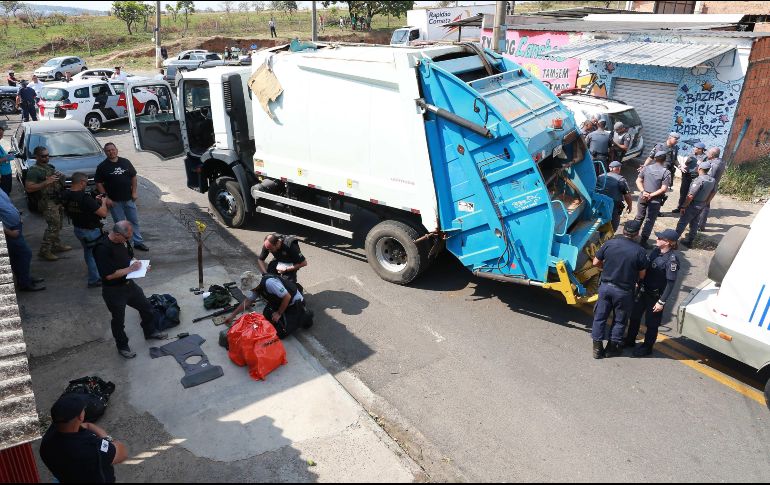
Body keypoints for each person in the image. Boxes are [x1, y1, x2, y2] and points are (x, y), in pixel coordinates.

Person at [93, 221, 166, 358]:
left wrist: (139, 264)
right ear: (117, 234)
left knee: (147, 307)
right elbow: (108, 275)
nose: (128, 240)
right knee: (119, 321)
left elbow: (130, 256)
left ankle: (150, 331)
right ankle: (122, 346)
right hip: (113, 291)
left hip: (128, 285)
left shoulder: (123, 242)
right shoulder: (102, 248)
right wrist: (130, 269)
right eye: (127, 238)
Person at [590, 219, 648, 359]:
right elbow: (642, 275)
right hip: (624, 291)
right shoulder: (639, 251)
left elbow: (595, 262)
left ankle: (597, 349)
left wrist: (606, 269)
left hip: (605, 287)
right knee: (619, 320)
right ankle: (611, 348)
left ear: (623, 231)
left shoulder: (609, 244)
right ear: (637, 234)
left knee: (600, 317)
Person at [39, 394, 128, 483]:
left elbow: (85, 425)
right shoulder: (91, 447)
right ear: (80, 417)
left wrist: (88, 426)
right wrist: (106, 439)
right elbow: (122, 453)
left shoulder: (47, 442)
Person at [624, 229, 680, 357]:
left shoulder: (672, 260)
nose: (657, 239)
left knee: (652, 323)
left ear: (668, 242)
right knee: (634, 316)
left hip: (655, 297)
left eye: (660, 238)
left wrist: (662, 302)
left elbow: (671, 284)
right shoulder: (655, 251)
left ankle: (647, 347)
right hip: (643, 291)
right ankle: (629, 340)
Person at [95, 143, 149, 251]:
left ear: (117, 150)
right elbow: (98, 183)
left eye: (112, 149)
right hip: (114, 202)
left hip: (129, 199)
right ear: (105, 152)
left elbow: (133, 177)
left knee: (133, 221)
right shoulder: (102, 166)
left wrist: (134, 192)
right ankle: (124, 245)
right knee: (120, 225)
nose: (111, 152)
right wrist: (106, 198)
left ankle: (138, 242)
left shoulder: (125, 162)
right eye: (108, 151)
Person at [223, 270, 314, 334]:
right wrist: (232, 315)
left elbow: (287, 297)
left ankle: (305, 315)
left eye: (251, 287)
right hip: (279, 301)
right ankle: (286, 316)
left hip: (293, 303)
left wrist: (278, 313)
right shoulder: (256, 288)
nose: (250, 289)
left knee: (280, 332)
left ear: (255, 283)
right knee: (266, 314)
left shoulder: (269, 283)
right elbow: (247, 301)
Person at [61, 172, 109, 288]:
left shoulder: (66, 194)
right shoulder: (84, 198)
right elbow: (103, 213)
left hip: (78, 228)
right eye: (86, 182)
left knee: (88, 253)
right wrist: (103, 203)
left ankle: (94, 275)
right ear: (82, 182)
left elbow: (81, 207)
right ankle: (94, 279)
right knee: (94, 254)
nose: (86, 185)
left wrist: (94, 201)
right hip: (90, 230)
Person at [25, 146, 71, 261]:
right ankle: (44, 251)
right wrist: (46, 182)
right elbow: (29, 188)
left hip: (56, 200)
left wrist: (60, 177)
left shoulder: (49, 167)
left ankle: (56, 245)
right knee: (53, 226)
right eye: (43, 156)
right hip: (47, 202)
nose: (46, 158)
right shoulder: (34, 170)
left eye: (47, 155)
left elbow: (57, 182)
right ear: (36, 157)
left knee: (58, 225)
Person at [0, 188, 45, 291]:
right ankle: (25, 283)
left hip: (15, 226)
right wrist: (9, 232)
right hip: (10, 231)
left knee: (16, 256)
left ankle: (24, 279)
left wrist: (17, 215)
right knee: (25, 254)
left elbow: (8, 203)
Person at [635, 150, 671, 248]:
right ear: (664, 160)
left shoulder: (646, 168)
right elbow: (664, 189)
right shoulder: (666, 172)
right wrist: (651, 195)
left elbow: (638, 180)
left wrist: (644, 192)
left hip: (643, 197)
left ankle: (632, 237)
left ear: (655, 159)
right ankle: (643, 242)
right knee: (649, 220)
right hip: (655, 200)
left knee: (639, 217)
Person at [676, 160, 715, 248]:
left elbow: (690, 196)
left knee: (682, 223)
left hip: (692, 205)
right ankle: (690, 241)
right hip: (701, 205)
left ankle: (673, 240)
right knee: (694, 223)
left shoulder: (699, 180)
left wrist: (683, 206)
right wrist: (706, 202)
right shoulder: (712, 180)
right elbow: (713, 192)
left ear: (700, 168)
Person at [597, 160, 633, 232]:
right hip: (614, 206)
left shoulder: (600, 176)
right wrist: (630, 205)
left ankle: (601, 233)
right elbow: (627, 195)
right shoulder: (621, 179)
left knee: (601, 220)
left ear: (610, 168)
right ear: (618, 169)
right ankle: (608, 238)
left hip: (600, 203)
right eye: (618, 168)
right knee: (613, 224)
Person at [673, 142, 706, 213]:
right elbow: (686, 164)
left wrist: (701, 164)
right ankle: (679, 207)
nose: (694, 149)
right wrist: (686, 163)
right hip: (686, 175)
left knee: (691, 193)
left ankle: (687, 208)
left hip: (695, 177)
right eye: (694, 147)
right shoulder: (692, 154)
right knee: (683, 192)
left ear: (700, 149)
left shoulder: (704, 157)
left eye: (696, 148)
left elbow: (706, 168)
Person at [698, 147, 724, 231]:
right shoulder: (720, 161)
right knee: (705, 204)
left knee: (705, 205)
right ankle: (700, 223)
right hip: (713, 186)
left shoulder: (714, 165)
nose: (707, 154)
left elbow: (709, 178)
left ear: (712, 155)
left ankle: (700, 225)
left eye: (708, 153)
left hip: (709, 187)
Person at [0, 126, 13, 195]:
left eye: (2, 134)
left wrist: (8, 156)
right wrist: (6, 158)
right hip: (2, 174)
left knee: (8, 191)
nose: (1, 136)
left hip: (7, 172)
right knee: (4, 193)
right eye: (0, 134)